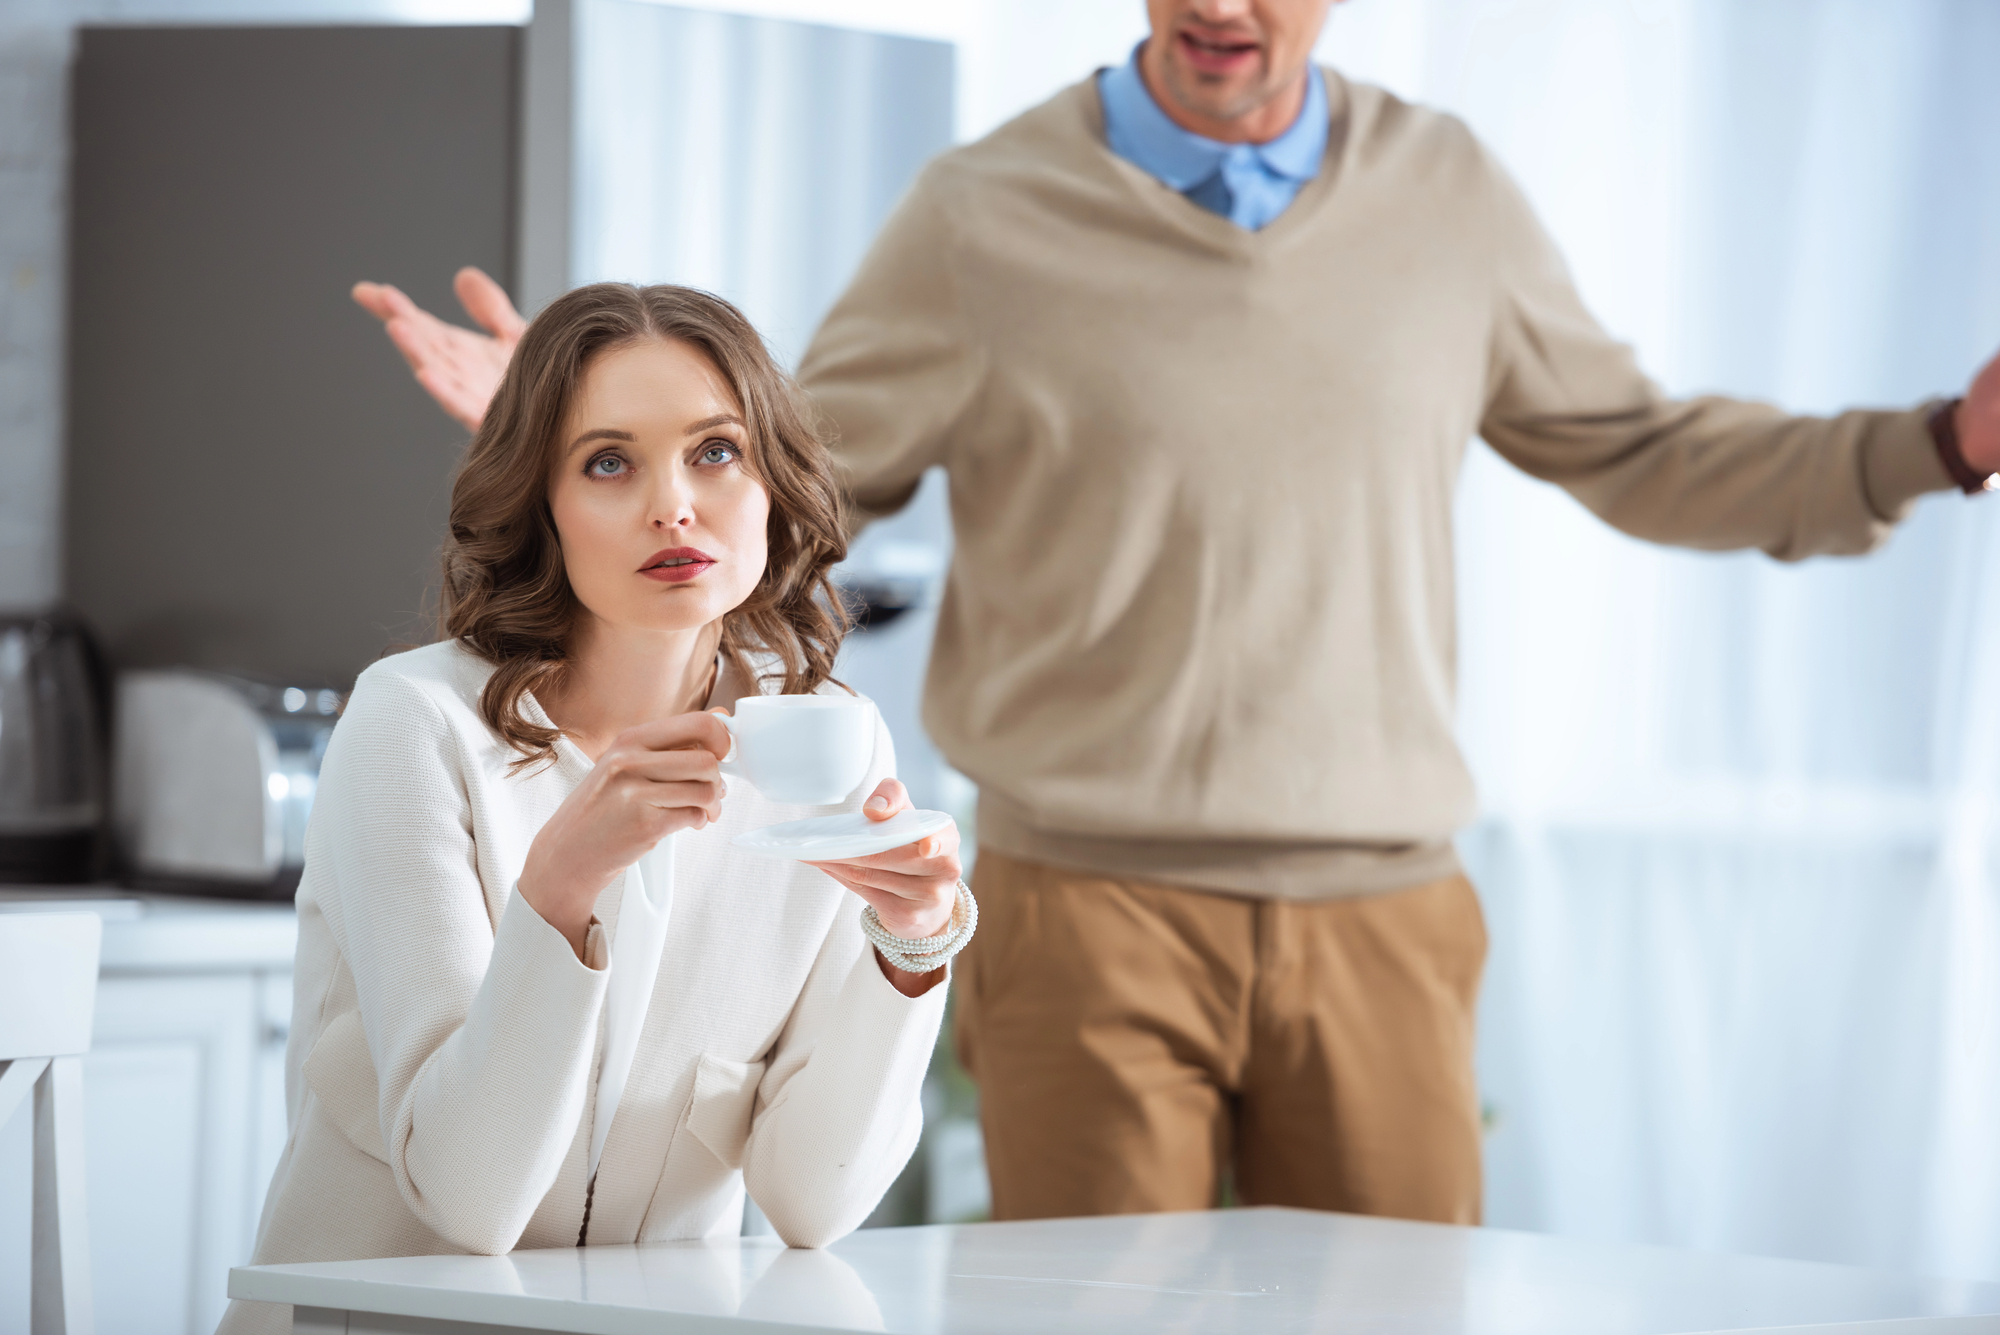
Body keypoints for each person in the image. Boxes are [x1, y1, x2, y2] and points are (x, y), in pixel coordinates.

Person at [353, 0, 2000, 1229]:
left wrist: (1937, 445)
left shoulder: (1449, 198)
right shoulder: (984, 216)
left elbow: (1645, 451)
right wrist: (569, 431)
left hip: (1383, 917)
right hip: (1090, 909)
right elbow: (780, 468)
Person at [220, 284, 973, 1335]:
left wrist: (911, 949)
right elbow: (468, 1199)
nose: (674, 504)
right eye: (608, 462)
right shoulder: (416, 726)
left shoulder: (825, 748)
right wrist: (560, 891)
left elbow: (813, 1204)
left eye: (715, 452)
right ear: (543, 504)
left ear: (772, 487)